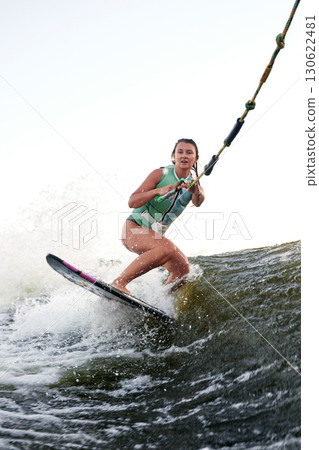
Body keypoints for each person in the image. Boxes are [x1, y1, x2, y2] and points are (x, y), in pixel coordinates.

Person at [111, 138, 205, 294]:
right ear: (173, 156)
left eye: (189, 153)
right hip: (133, 229)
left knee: (183, 269)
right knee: (166, 248)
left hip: (154, 237)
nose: (184, 156)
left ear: (195, 158)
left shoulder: (194, 185)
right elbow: (132, 201)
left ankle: (160, 300)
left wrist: (197, 191)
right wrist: (157, 191)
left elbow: (198, 201)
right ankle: (118, 283)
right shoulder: (160, 174)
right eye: (180, 152)